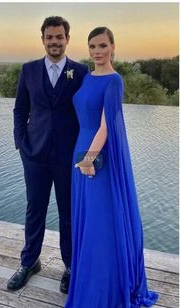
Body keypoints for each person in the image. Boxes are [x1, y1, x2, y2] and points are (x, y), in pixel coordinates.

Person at [64, 27, 159, 307]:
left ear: (113, 47)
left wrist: (89, 160)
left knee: (100, 222)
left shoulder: (114, 81)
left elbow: (106, 126)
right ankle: (86, 279)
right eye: (92, 46)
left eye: (102, 46)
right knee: (87, 219)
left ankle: (103, 289)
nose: (97, 51)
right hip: (80, 150)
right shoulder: (87, 76)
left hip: (96, 158)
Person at [7, 16, 88, 293]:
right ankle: (29, 262)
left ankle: (70, 266)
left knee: (69, 213)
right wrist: (21, 143)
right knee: (35, 210)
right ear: (42, 39)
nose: (55, 42)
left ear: (67, 39)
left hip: (69, 157)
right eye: (50, 37)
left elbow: (87, 112)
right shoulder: (28, 70)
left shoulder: (80, 72)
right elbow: (20, 109)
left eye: (59, 37)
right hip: (35, 155)